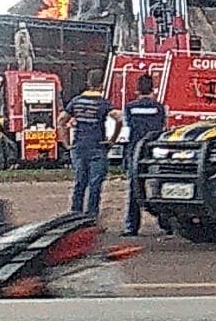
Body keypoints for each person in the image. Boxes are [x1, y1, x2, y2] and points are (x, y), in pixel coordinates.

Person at [57, 70, 122, 220]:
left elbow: (61, 120)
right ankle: (91, 216)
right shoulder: (103, 103)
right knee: (95, 184)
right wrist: (112, 139)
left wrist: (66, 143)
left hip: (79, 146)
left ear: (88, 82)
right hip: (97, 146)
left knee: (80, 182)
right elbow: (118, 118)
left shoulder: (76, 101)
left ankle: (75, 214)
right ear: (102, 85)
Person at [122, 73, 167, 235]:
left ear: (137, 90)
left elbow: (127, 130)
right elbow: (162, 128)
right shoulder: (159, 108)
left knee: (134, 190)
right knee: (157, 188)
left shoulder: (129, 108)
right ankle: (165, 224)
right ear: (152, 89)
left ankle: (131, 227)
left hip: (135, 153)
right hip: (153, 153)